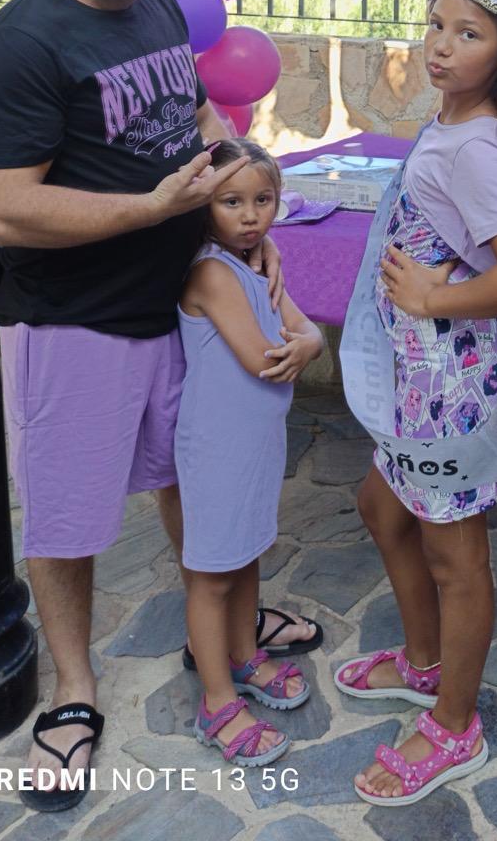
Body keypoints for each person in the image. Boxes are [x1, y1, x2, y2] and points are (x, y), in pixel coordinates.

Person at [0, 0, 318, 812]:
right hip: (78, 326)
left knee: (193, 480)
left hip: (181, 308)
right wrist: (154, 211)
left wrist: (242, 226)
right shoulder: (18, 48)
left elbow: (198, 117)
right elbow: (3, 213)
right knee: (69, 519)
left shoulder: (155, 8)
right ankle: (74, 686)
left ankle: (225, 630)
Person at [333, 0, 497, 807]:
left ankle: (455, 722)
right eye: (436, 24)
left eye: (468, 33)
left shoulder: (477, 150)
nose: (441, 45)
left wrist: (435, 294)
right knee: (379, 506)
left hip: (449, 387)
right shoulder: (451, 125)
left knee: (455, 556)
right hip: (419, 380)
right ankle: (424, 665)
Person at [179, 139, 323, 766]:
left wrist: (309, 343)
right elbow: (263, 355)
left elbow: (306, 329)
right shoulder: (213, 272)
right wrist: (298, 348)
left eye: (262, 200)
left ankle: (243, 657)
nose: (249, 215)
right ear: (203, 206)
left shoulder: (258, 265)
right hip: (218, 447)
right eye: (231, 201)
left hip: (255, 445)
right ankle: (216, 699)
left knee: (245, 556)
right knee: (213, 574)